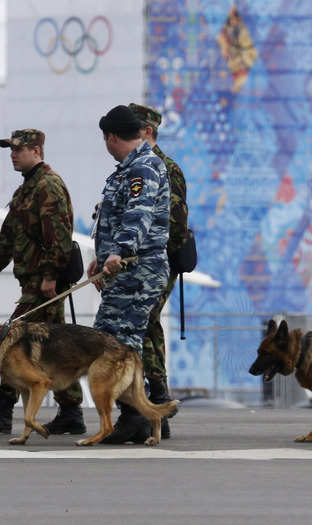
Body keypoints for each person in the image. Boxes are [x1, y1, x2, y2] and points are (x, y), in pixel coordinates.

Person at [0, 129, 85, 436]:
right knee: (54, 349)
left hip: (43, 285)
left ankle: (3, 411)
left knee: (12, 344)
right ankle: (71, 411)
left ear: (36, 150)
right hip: (32, 283)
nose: (13, 154)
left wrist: (50, 276)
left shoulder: (48, 186)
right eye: (10, 149)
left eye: (18, 149)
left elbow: (59, 237)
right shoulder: (25, 191)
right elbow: (7, 239)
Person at [92, 105, 170, 444]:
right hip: (126, 270)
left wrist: (119, 251)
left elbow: (138, 216)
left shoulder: (143, 168)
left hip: (139, 270)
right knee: (116, 342)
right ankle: (139, 414)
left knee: (119, 344)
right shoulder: (130, 168)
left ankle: (135, 415)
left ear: (111, 137)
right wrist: (102, 256)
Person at [129, 102, 189, 440]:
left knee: (145, 321)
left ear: (147, 131)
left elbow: (177, 222)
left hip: (157, 260)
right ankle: (158, 396)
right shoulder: (136, 165)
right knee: (147, 324)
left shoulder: (167, 168)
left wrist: (155, 255)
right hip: (140, 261)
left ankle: (158, 395)